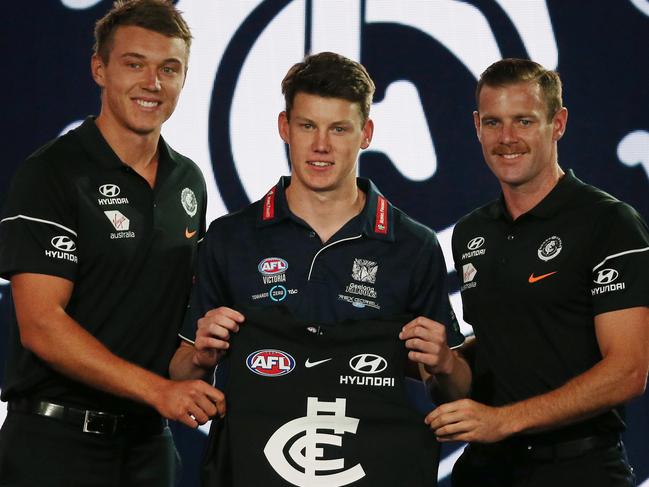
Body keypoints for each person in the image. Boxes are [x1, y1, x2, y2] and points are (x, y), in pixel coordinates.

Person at [170, 52, 471, 485]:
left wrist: (443, 362)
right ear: (284, 127)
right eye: (308, 125)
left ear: (366, 133)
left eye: (339, 129)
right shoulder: (230, 238)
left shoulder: (412, 245)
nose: (321, 146)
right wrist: (200, 358)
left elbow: (453, 391)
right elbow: (181, 374)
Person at [0, 1, 225, 486]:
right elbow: (40, 325)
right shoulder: (52, 172)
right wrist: (160, 391)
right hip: (53, 444)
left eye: (169, 68)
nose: (153, 83)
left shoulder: (189, 181)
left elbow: (171, 333)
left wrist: (199, 358)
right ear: (99, 68)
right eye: (134, 64)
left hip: (148, 446)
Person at [426, 58, 649, 486]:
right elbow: (496, 357)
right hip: (486, 472)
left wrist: (504, 421)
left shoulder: (609, 223)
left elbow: (628, 370)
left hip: (579, 471)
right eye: (493, 122)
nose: (507, 138)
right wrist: (445, 364)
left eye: (524, 121)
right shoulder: (471, 233)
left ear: (558, 122)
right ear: (476, 126)